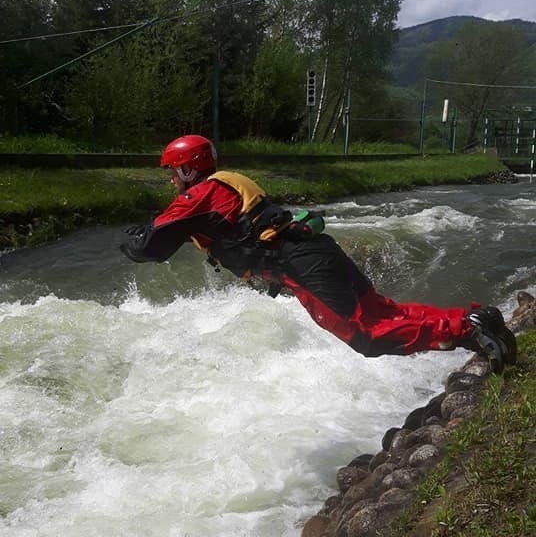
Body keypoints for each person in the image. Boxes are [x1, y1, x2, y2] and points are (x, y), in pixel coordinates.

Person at [120, 134, 517, 373]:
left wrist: (129, 238)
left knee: (367, 336)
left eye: (173, 171)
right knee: (383, 311)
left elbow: (149, 246)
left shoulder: (199, 194)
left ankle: (468, 331)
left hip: (298, 263)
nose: (171, 179)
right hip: (313, 249)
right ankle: (473, 320)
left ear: (189, 170)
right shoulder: (227, 183)